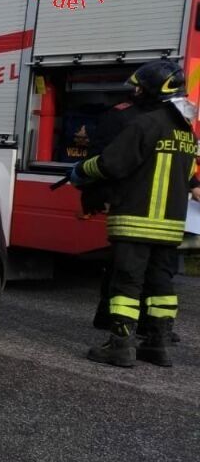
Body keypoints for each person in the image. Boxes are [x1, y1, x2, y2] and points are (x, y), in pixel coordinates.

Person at [70, 60, 198, 368]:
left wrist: (80, 170)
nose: (136, 91)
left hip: (136, 219)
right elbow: (189, 174)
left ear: (155, 89)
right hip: (169, 225)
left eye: (140, 86)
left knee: (125, 284)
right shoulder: (186, 132)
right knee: (161, 286)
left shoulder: (145, 124)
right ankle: (157, 344)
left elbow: (111, 164)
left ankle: (121, 346)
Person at [84, 83, 144, 331]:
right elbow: (101, 158)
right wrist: (98, 195)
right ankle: (108, 316)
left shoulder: (160, 120)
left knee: (139, 268)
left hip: (147, 205)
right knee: (123, 265)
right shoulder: (121, 116)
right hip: (126, 201)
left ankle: (149, 325)